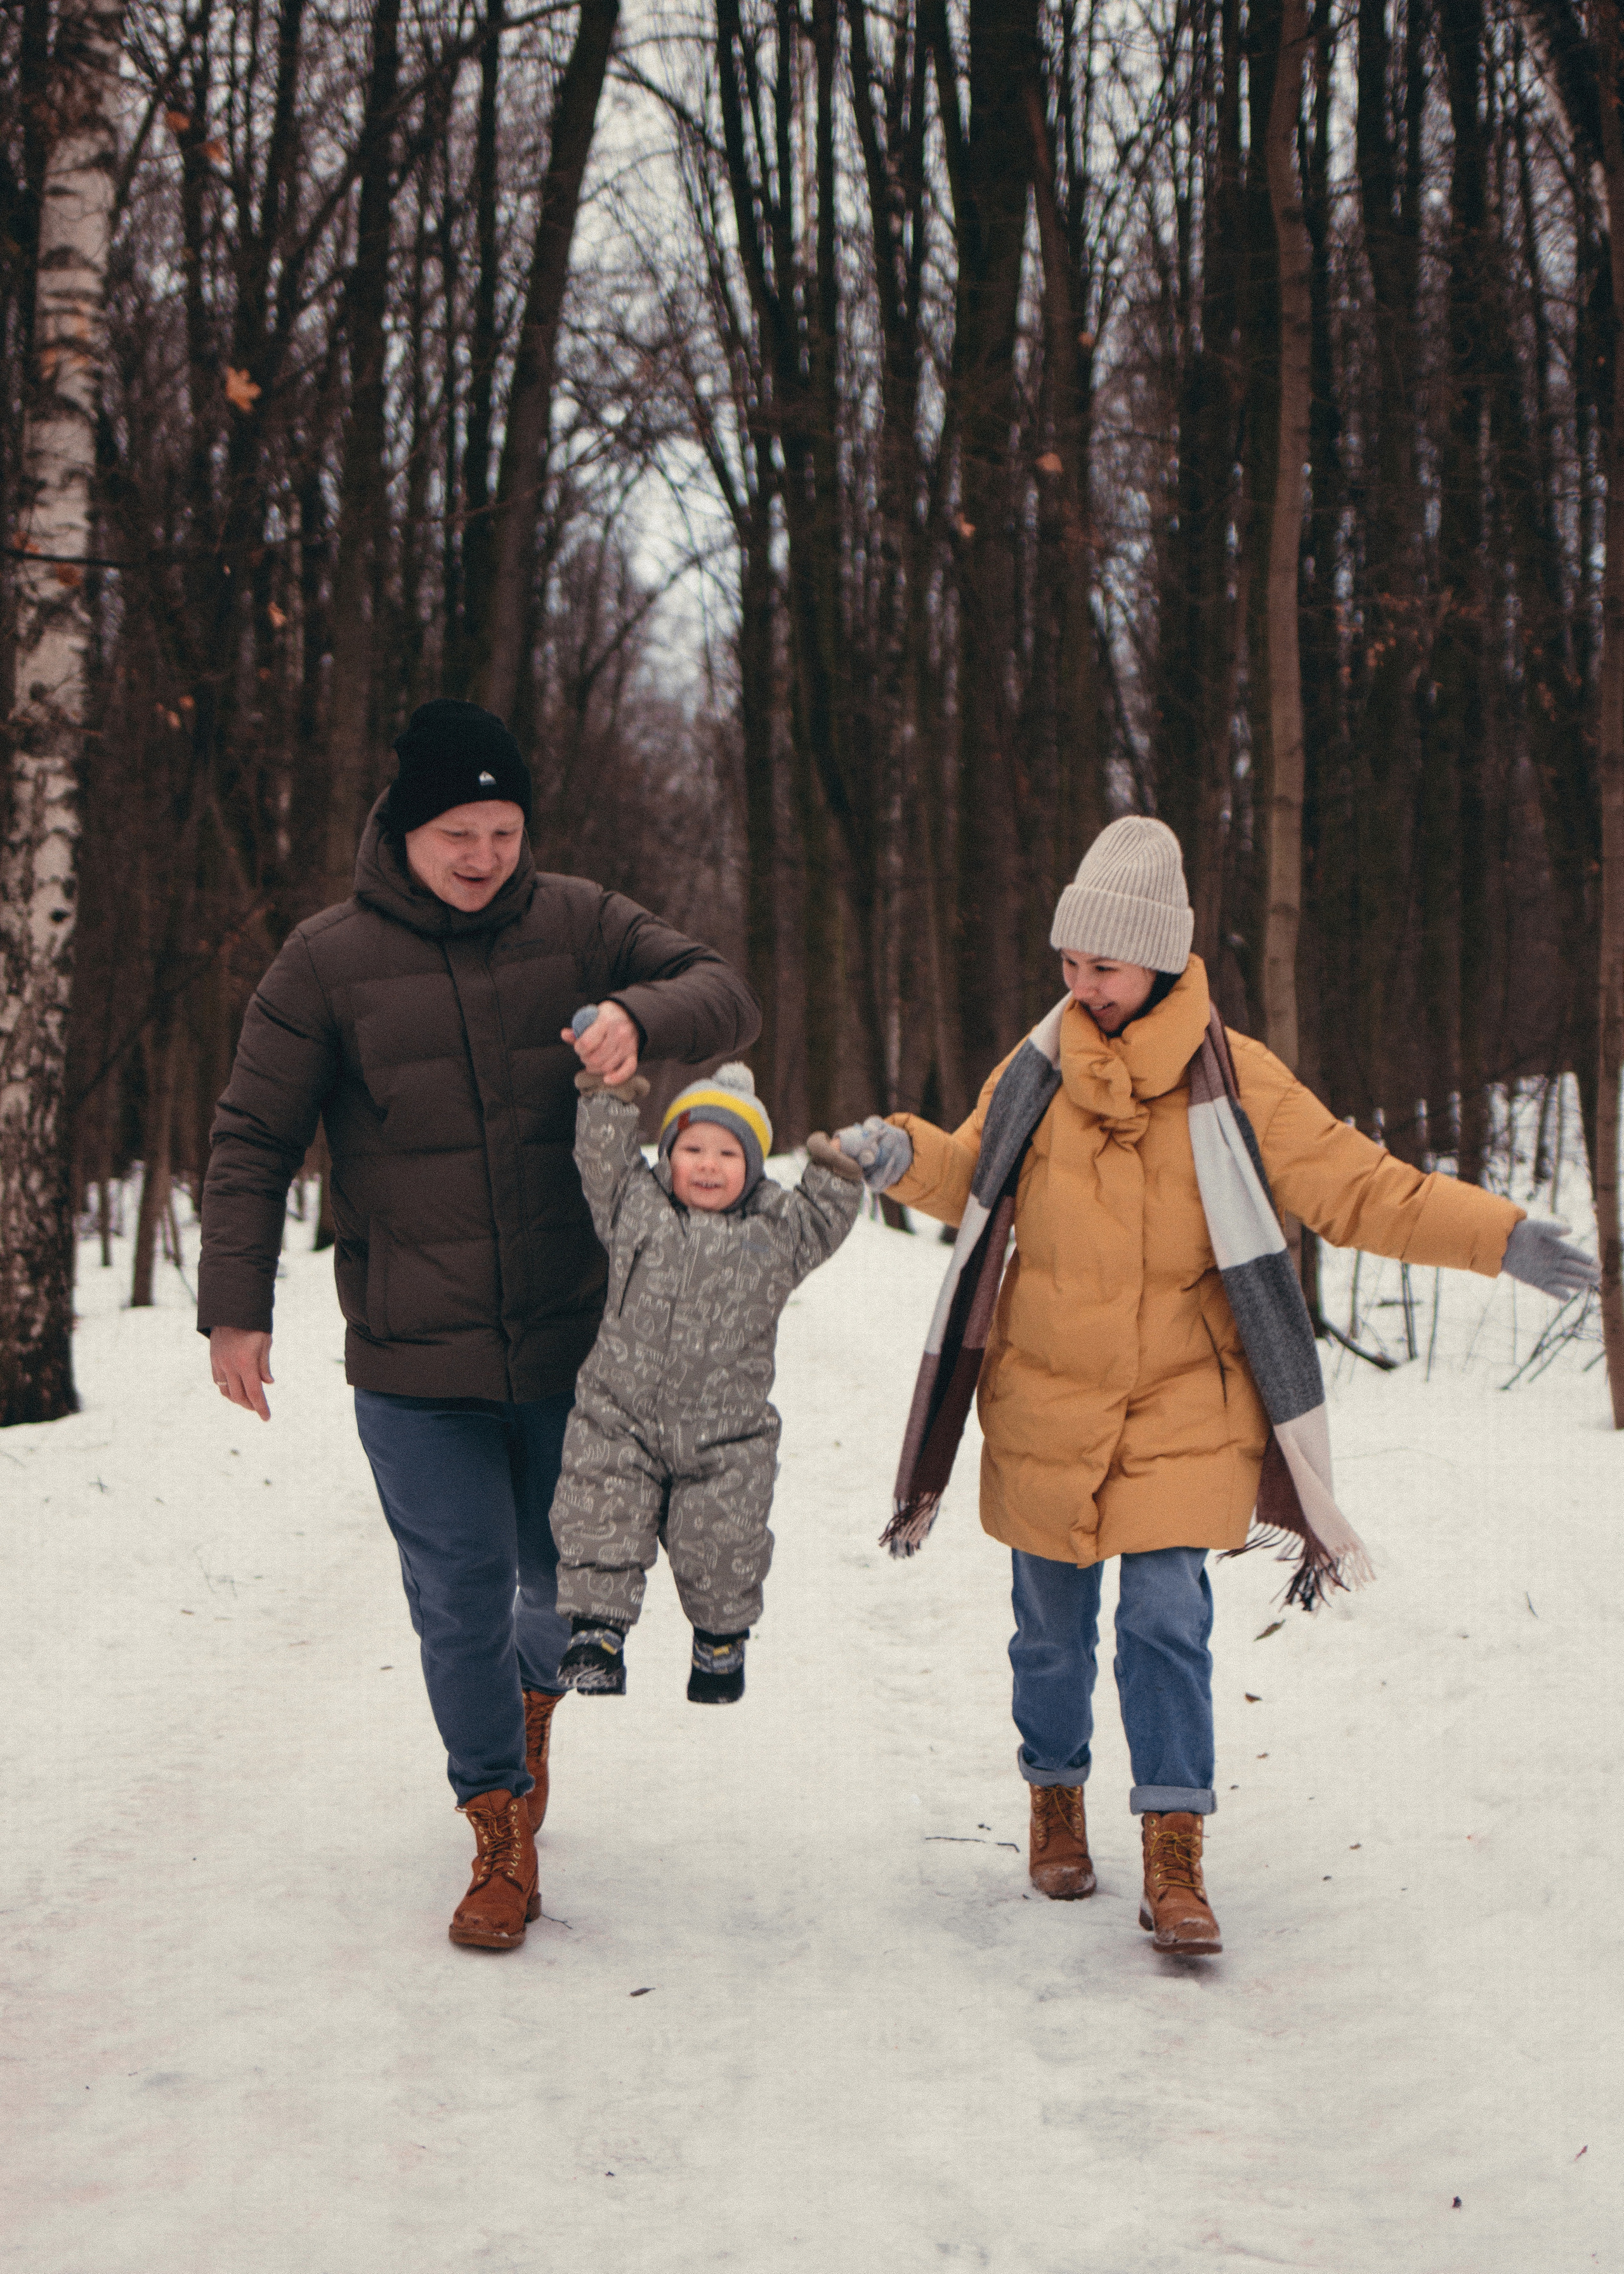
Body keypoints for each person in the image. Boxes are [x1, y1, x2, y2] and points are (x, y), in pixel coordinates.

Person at [832, 815, 1598, 1957]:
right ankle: (1054, 1795)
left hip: (1184, 1399)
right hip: (1044, 1398)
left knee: (1164, 1619)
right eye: (1069, 963)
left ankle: (1174, 1846)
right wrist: (906, 1154)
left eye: (1101, 964)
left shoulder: (1240, 1081)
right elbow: (972, 1171)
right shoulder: (1036, 1065)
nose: (1079, 984)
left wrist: (1500, 1236)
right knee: (1048, 1634)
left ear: (1160, 959)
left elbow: (1363, 1188)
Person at [198, 698, 758, 1952]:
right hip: (413, 1356)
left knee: (559, 1583)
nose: (482, 855)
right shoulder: (323, 962)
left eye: (503, 830)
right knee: (455, 1590)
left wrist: (643, 1019)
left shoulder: (576, 924)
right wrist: (234, 1308)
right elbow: (250, 1140)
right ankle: (496, 1824)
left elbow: (724, 992)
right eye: (458, 830)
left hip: (572, 1345)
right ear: (402, 828)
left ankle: (532, 1693)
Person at [548, 1041, 861, 1702]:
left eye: (728, 1153)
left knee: (722, 1541)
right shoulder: (636, 1207)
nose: (708, 1165)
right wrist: (607, 1099)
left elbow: (821, 1216)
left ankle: (720, 1642)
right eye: (692, 1150)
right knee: (601, 1511)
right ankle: (596, 1635)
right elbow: (602, 1160)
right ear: (669, 1155)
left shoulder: (776, 1232)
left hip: (727, 1432)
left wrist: (836, 1167)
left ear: (751, 1165)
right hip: (619, 1416)